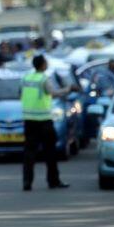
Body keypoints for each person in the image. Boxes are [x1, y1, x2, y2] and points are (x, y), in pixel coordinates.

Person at [21, 55, 78, 191]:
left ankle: (27, 182)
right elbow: (54, 93)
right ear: (42, 65)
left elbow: (21, 94)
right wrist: (68, 89)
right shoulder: (44, 78)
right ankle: (53, 181)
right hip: (44, 120)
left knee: (29, 153)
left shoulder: (25, 78)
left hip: (29, 120)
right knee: (50, 152)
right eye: (46, 63)